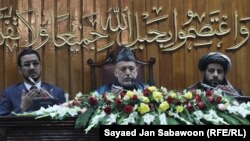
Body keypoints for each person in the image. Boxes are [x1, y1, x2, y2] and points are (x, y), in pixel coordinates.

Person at [0, 48, 66, 116]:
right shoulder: (9, 93)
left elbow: (65, 121)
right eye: (27, 64)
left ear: (40, 66)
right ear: (20, 70)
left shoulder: (57, 92)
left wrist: (53, 105)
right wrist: (22, 108)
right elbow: (2, 122)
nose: (32, 67)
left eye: (35, 63)